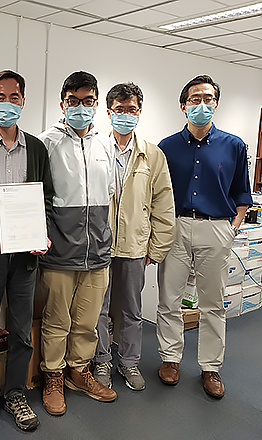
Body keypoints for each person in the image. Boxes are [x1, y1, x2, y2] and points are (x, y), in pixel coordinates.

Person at [0, 70, 53, 434]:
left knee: (20, 331)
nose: (7, 103)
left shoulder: (36, 147)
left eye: (14, 96)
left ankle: (15, 393)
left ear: (23, 101)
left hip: (25, 255)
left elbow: (46, 200)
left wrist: (42, 234)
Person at [156, 74, 252, 398]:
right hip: (176, 226)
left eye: (207, 98)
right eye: (195, 99)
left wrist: (232, 228)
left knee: (213, 303)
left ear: (216, 103)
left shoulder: (234, 146)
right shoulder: (166, 147)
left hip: (216, 228)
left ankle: (211, 367)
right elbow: (157, 194)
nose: (202, 104)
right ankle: (170, 358)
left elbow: (242, 194)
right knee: (169, 299)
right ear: (183, 106)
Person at [36, 71, 117, 416]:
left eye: (87, 102)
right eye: (73, 101)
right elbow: (36, 196)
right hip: (59, 251)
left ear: (96, 105)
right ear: (62, 103)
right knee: (57, 320)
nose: (80, 108)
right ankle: (52, 375)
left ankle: (77, 372)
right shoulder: (46, 142)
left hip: (97, 252)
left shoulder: (105, 144)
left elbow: (109, 194)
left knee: (87, 322)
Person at [92, 83, 175, 391]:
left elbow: (163, 204)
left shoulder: (152, 155)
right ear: (108, 111)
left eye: (132, 110)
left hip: (134, 246)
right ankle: (101, 360)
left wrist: (157, 246)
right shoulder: (94, 147)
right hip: (98, 245)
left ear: (139, 112)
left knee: (130, 310)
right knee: (97, 310)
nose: (125, 115)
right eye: (119, 109)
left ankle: (129, 363)